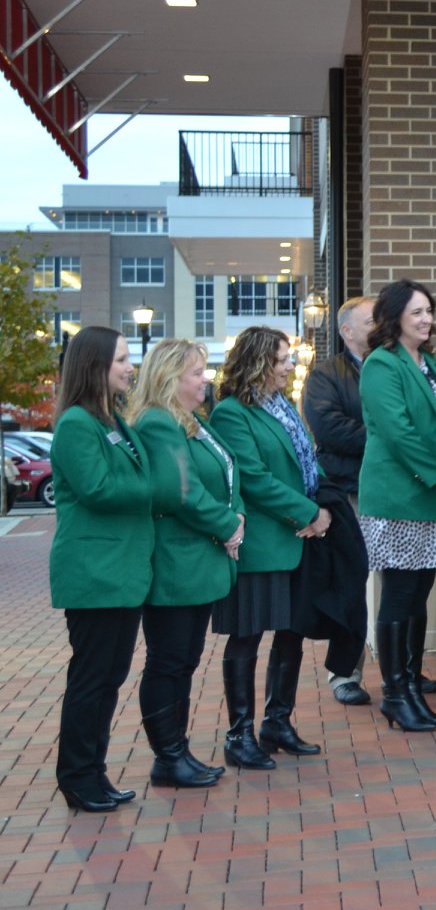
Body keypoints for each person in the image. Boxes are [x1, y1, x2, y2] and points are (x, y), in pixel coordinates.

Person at [210, 327, 331, 768]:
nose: (288, 367)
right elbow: (255, 479)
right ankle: (239, 734)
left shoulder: (282, 406)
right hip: (261, 544)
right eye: (281, 359)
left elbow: (306, 462)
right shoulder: (231, 412)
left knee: (291, 635)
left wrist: (322, 507)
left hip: (298, 540)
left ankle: (276, 722)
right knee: (246, 638)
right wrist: (308, 513)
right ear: (258, 362)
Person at [358, 278, 436, 733]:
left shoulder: (428, 362)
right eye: (418, 311)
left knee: (419, 595)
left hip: (430, 499)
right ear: (394, 316)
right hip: (399, 499)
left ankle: (410, 688)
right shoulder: (382, 364)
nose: (427, 319)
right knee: (400, 596)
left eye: (430, 311)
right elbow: (397, 430)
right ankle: (394, 694)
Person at [48, 327, 154, 811]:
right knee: (91, 681)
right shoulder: (76, 424)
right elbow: (97, 489)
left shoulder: (111, 420)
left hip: (121, 573)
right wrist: (158, 488)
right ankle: (76, 777)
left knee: (108, 678)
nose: (130, 367)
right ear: (94, 366)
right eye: (122, 360)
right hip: (95, 574)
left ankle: (95, 771)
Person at [133, 338, 243, 788]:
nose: (207, 379)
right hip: (178, 563)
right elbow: (183, 492)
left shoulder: (190, 420)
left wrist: (232, 518)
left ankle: (177, 751)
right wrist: (227, 525)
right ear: (169, 377)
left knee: (183, 660)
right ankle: (168, 757)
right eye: (197, 372)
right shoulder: (160, 422)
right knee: (169, 660)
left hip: (196, 561)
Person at [300, 294, 375, 706]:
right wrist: (387, 439)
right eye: (370, 321)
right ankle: (345, 672)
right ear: (347, 331)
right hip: (350, 492)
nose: (381, 326)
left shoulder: (400, 367)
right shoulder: (326, 375)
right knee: (353, 582)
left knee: (400, 585)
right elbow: (329, 430)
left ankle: (405, 667)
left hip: (396, 491)